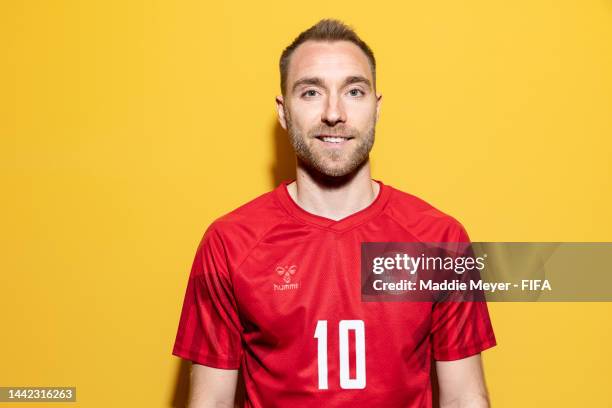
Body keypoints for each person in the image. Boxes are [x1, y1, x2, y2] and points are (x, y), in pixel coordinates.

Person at [172, 18, 496, 408]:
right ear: (283, 111)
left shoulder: (439, 240)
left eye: (353, 91)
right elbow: (210, 402)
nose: (333, 113)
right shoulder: (229, 243)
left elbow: (464, 397)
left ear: (376, 109)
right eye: (310, 92)